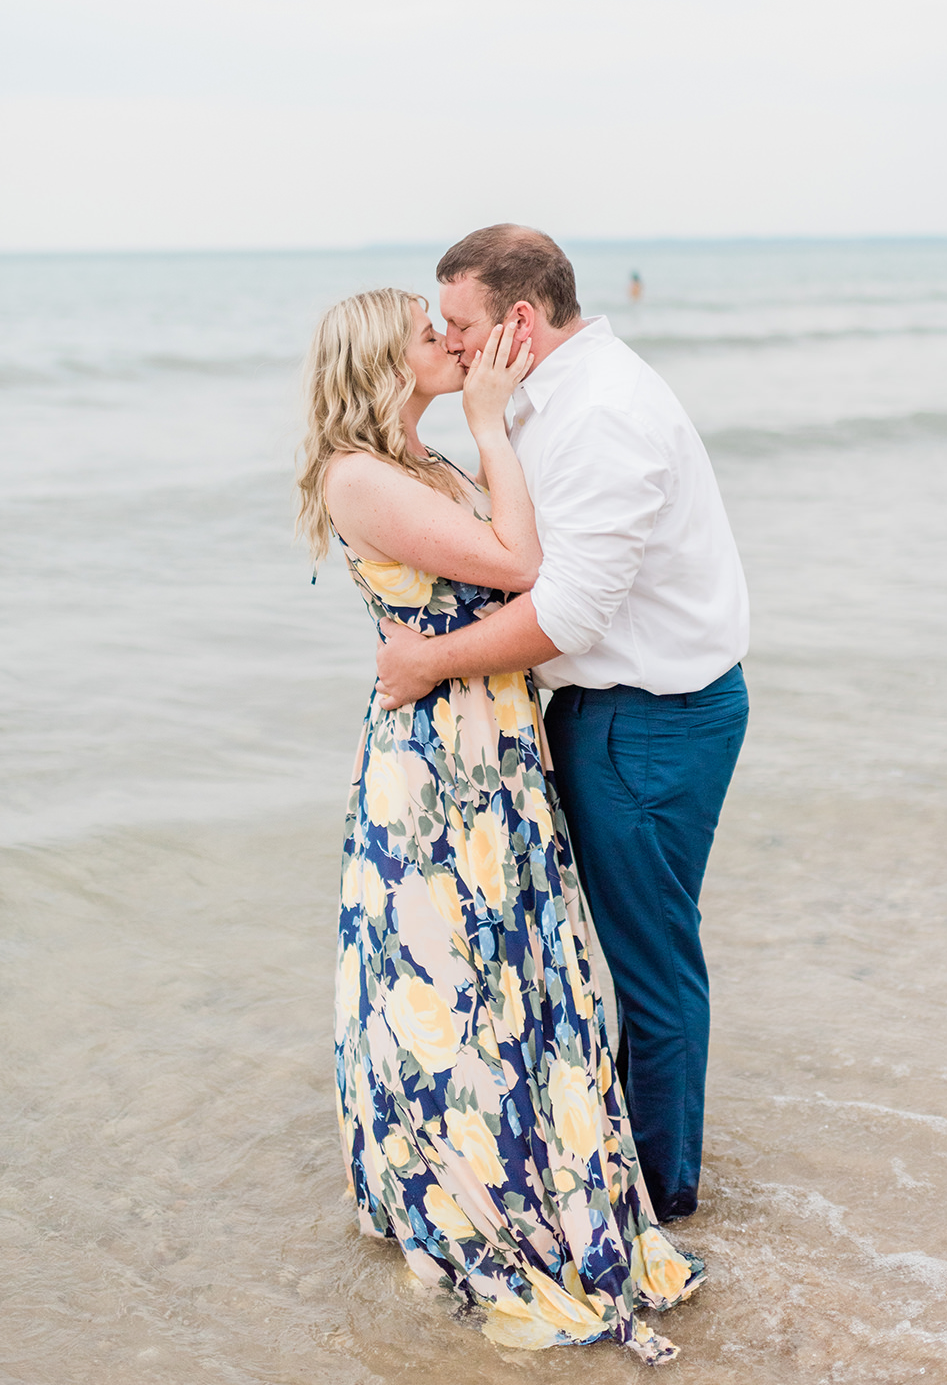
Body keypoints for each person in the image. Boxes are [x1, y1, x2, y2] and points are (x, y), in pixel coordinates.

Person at [296, 287, 703, 1361]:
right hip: (437, 758)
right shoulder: (362, 475)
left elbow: (521, 557)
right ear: (384, 360)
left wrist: (485, 435)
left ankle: (540, 1170)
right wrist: (489, 423)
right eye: (429, 336)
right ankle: (469, 1187)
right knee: (451, 980)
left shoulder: (423, 465)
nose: (453, 344)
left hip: (494, 746)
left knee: (516, 965)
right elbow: (521, 567)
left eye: (451, 327)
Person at [375, 227, 750, 1224]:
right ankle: (617, 1162)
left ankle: (658, 1205)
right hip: (630, 712)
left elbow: (570, 614)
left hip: (646, 722)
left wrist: (422, 663)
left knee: (651, 964)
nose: (451, 342)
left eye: (459, 323)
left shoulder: (597, 415)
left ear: (520, 319)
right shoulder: (558, 400)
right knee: (625, 953)